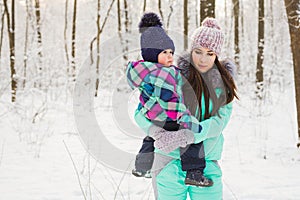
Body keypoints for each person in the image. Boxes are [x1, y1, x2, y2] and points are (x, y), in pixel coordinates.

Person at [133, 17, 238, 199]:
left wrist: (187, 134)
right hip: (168, 162)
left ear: (217, 56)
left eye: (210, 53)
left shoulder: (223, 86)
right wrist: (158, 133)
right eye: (198, 51)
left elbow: (218, 123)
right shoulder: (170, 77)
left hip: (207, 163)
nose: (203, 59)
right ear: (191, 50)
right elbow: (141, 112)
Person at [126, 12, 213, 187]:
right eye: (164, 52)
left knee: (151, 138)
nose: (170, 56)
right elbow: (169, 101)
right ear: (152, 54)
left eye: (171, 52)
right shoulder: (163, 73)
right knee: (191, 137)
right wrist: (186, 119)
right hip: (167, 114)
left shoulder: (143, 70)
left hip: (152, 116)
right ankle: (194, 172)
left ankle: (141, 166)